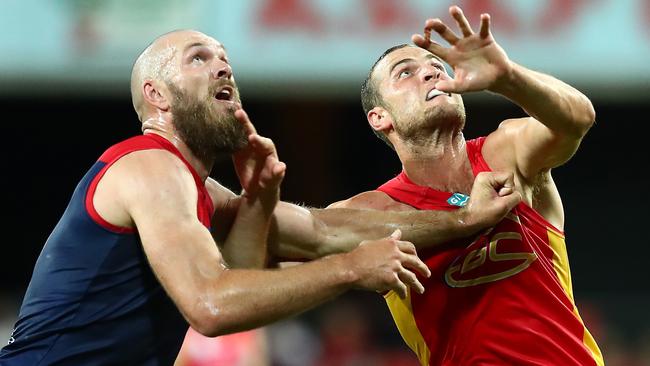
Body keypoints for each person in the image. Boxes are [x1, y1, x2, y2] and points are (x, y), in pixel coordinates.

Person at [0, 30, 520, 365]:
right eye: (199, 59)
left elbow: (318, 236)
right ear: (157, 96)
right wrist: (350, 270)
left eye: (225, 59)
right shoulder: (148, 165)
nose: (224, 68)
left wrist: (257, 200)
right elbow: (211, 305)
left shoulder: (195, 188)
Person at [285, 5, 604, 366]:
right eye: (405, 73)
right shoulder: (373, 211)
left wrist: (507, 77)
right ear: (379, 118)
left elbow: (578, 119)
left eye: (437, 67)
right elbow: (292, 242)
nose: (430, 73)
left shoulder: (505, 153)